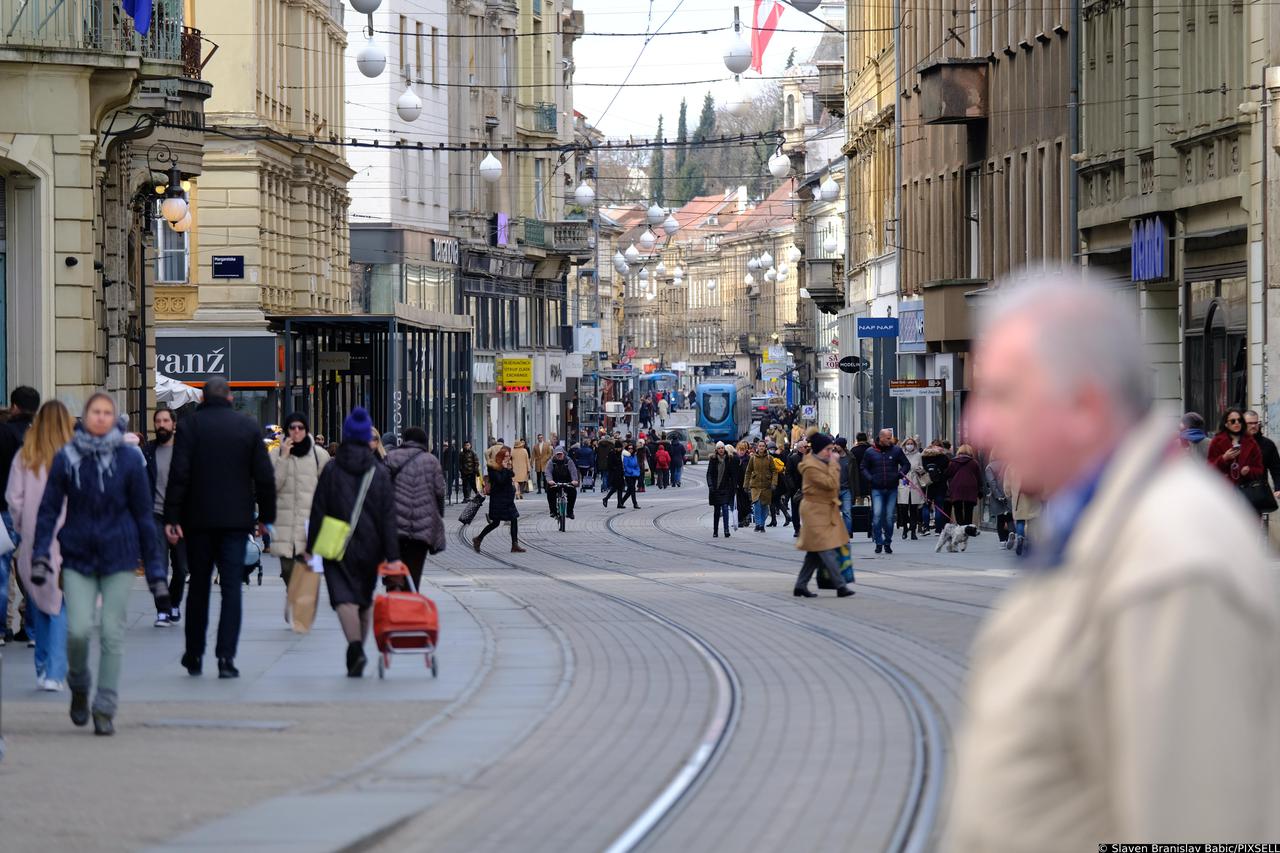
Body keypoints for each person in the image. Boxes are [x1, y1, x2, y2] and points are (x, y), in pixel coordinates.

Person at [947, 271, 1280, 851]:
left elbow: (1196, 826)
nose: (978, 425)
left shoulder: (1174, 561)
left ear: (1084, 404)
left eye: (1003, 395)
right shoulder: (1099, 531)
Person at [32, 394, 163, 735]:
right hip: (77, 555)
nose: (102, 418)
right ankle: (78, 682)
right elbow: (48, 509)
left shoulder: (129, 459)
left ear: (115, 418)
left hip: (119, 555)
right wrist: (42, 554)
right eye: (96, 412)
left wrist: (155, 570)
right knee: (76, 631)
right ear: (86, 416)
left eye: (107, 413)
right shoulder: (67, 457)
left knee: (111, 632)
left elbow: (144, 516)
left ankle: (104, 705)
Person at [164, 376, 276, 680]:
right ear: (229, 398)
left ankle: (194, 654)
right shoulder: (248, 427)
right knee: (231, 589)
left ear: (203, 399)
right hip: (235, 522)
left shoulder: (189, 427)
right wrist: (265, 518)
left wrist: (172, 517)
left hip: (197, 522)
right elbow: (264, 477)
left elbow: (179, 474)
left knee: (198, 588)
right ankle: (226, 657)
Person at [305, 408, 401, 677]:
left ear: (346, 435)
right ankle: (360, 648)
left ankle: (355, 647)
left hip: (336, 545)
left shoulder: (332, 469)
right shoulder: (378, 471)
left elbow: (318, 509)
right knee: (365, 597)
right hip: (372, 547)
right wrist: (393, 555)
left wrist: (311, 546)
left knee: (343, 597)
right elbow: (388, 517)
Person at [6, 401, 73, 691]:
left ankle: (44, 666)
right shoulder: (75, 456)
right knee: (59, 604)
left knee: (41, 603)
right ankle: (55, 671)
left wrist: (23, 528)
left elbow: (14, 499)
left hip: (36, 539)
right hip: (70, 539)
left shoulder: (25, 456)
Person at [272, 412, 330, 625]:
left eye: (300, 428)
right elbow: (272, 487)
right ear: (286, 430)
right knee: (288, 568)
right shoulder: (276, 455)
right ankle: (293, 595)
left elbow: (327, 489)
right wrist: (284, 459)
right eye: (292, 427)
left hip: (310, 523)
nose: (296, 432)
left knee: (307, 570)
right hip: (285, 522)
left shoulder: (319, 455)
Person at [142, 408, 188, 627]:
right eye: (158, 421)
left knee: (181, 568)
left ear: (174, 424)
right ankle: (162, 610)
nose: (161, 424)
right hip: (155, 516)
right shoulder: (148, 451)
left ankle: (174, 602)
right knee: (158, 566)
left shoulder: (185, 450)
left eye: (165, 421)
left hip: (181, 517)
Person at [793, 434, 855, 598]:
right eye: (828, 449)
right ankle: (840, 585)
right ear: (820, 450)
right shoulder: (811, 467)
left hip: (825, 509)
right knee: (826, 548)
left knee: (815, 551)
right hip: (814, 510)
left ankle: (800, 585)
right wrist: (835, 464)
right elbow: (831, 484)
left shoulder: (821, 462)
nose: (831, 452)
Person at [385, 426, 445, 591]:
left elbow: (381, 487)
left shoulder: (391, 457)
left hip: (395, 524)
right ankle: (410, 602)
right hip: (422, 527)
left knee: (394, 568)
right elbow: (439, 491)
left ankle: (393, 599)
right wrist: (439, 513)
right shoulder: (431, 460)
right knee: (414, 571)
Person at [0, 386, 38, 647]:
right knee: (34, 569)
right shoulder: (39, 435)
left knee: (3, 570)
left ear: (14, 406)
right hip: (35, 510)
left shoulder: (4, 433)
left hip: (4, 508)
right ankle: (33, 627)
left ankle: (2, 629)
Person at [860, 429, 910, 555]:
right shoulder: (870, 452)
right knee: (877, 515)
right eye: (888, 438)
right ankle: (878, 542)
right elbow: (863, 467)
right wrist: (870, 478)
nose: (890, 440)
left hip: (891, 487)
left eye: (891, 437)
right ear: (881, 438)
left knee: (889, 517)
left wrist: (899, 475)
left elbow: (906, 464)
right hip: (876, 488)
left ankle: (887, 542)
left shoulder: (896, 450)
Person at [1207, 408, 1267, 514]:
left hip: (1247, 493)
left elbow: (1259, 469)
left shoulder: (1251, 442)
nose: (1237, 423)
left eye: (1239, 420)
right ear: (1226, 424)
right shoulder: (1217, 441)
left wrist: (1249, 471)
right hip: (1224, 492)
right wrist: (1224, 458)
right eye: (1233, 421)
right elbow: (1209, 469)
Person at [473, 446, 524, 554]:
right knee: (495, 522)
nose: (508, 458)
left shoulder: (505, 466)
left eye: (509, 456)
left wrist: (507, 468)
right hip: (498, 499)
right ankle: (478, 538)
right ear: (500, 457)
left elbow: (512, 475)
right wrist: (505, 469)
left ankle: (514, 544)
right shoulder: (493, 467)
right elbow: (500, 481)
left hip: (507, 499)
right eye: (506, 456)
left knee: (514, 519)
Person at [944, 443, 983, 528]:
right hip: (971, 487)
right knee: (969, 508)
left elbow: (947, 474)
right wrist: (980, 489)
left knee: (958, 508)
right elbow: (979, 477)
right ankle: (968, 526)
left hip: (956, 487)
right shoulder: (974, 462)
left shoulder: (953, 462)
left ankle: (960, 526)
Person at [1244, 410, 1280, 501]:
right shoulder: (1235, 442)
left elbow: (1276, 469)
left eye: (1256, 423)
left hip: (1258, 491)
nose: (1253, 426)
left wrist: (1278, 487)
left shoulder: (1267, 444)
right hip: (1237, 493)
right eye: (1250, 423)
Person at [706, 442, 739, 538]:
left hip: (725, 488)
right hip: (715, 489)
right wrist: (710, 486)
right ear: (716, 450)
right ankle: (715, 531)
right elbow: (709, 474)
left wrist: (734, 486)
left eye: (722, 448)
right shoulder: (713, 459)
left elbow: (733, 474)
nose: (721, 450)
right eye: (719, 448)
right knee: (717, 511)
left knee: (725, 508)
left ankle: (726, 530)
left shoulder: (729, 458)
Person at [897, 437, 926, 540]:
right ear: (904, 445)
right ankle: (905, 528)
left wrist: (920, 469)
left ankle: (913, 531)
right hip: (903, 483)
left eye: (911, 443)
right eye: (908, 443)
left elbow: (922, 469)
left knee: (914, 509)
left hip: (915, 483)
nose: (910, 445)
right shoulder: (900, 454)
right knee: (904, 509)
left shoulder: (918, 455)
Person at [745, 442, 776, 533]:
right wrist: (746, 484)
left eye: (763, 446)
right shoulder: (753, 458)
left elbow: (774, 471)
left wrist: (774, 483)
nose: (761, 447)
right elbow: (748, 471)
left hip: (766, 486)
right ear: (757, 447)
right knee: (757, 504)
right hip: (755, 486)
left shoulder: (769, 458)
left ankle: (762, 524)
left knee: (765, 507)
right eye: (760, 446)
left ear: (765, 447)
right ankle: (758, 524)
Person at [921, 440, 950, 536]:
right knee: (939, 507)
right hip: (940, 485)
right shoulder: (944, 457)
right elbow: (947, 472)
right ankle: (938, 530)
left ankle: (926, 528)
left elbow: (921, 469)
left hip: (928, 485)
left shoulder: (924, 456)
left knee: (926, 506)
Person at [984, 453, 1013, 545]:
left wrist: (998, 495)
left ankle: (1002, 541)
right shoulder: (1010, 464)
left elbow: (992, 482)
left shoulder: (990, 467)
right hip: (1009, 493)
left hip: (997, 496)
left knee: (1000, 517)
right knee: (1009, 516)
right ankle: (1011, 533)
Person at [543, 445, 579, 519]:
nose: (559, 456)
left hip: (567, 481)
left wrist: (574, 480)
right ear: (555, 454)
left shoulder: (568, 461)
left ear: (563, 453)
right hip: (555, 482)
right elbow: (548, 471)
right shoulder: (551, 462)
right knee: (550, 492)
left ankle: (570, 512)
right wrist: (550, 480)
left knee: (573, 492)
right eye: (557, 454)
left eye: (560, 454)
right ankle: (553, 511)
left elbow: (573, 471)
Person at [785, 439, 806, 539]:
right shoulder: (793, 458)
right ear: (800, 448)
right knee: (795, 509)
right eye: (805, 447)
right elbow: (788, 473)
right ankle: (797, 529)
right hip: (796, 489)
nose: (807, 448)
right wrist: (792, 486)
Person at [849, 433, 872, 505]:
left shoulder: (853, 450)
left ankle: (861, 513)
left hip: (858, 477)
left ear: (857, 440)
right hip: (870, 476)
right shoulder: (871, 449)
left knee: (859, 498)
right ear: (866, 439)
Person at [734, 441, 752, 528]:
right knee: (739, 503)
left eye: (743, 450)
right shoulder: (735, 459)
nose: (741, 451)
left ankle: (746, 518)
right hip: (738, 484)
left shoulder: (748, 459)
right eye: (740, 450)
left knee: (746, 502)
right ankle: (740, 519)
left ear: (746, 450)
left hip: (746, 484)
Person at [618, 442, 641, 509]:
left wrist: (638, 471)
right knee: (632, 489)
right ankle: (635, 503)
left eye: (631, 448)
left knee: (629, 490)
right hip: (628, 474)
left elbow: (636, 465)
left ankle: (621, 502)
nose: (630, 449)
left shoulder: (635, 456)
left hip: (634, 474)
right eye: (629, 448)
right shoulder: (626, 456)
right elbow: (625, 466)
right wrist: (630, 471)